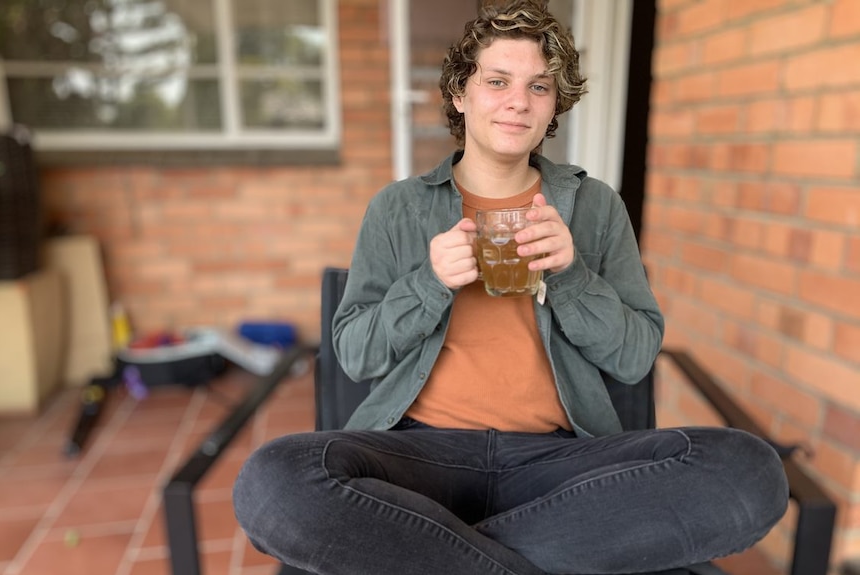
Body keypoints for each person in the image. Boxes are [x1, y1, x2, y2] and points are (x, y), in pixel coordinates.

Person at [233, 2, 788, 574]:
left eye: (539, 86)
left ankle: (439, 551)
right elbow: (354, 354)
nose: (518, 101)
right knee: (272, 484)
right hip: (419, 454)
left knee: (750, 472)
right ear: (460, 94)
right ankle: (536, 556)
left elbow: (635, 356)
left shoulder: (595, 207)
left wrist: (572, 277)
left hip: (560, 459)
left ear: (554, 106)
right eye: (497, 81)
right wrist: (429, 283)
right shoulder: (397, 208)